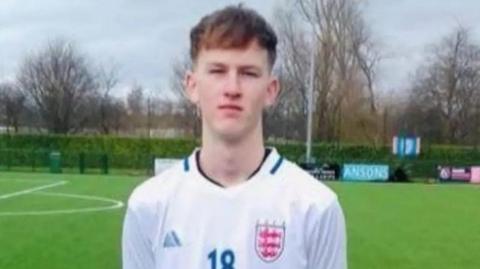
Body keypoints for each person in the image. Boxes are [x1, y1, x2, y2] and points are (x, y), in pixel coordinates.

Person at [122, 5, 347, 269]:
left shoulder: (315, 207)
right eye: (217, 71)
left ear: (271, 90)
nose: (232, 88)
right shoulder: (149, 205)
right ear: (192, 86)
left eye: (248, 73)